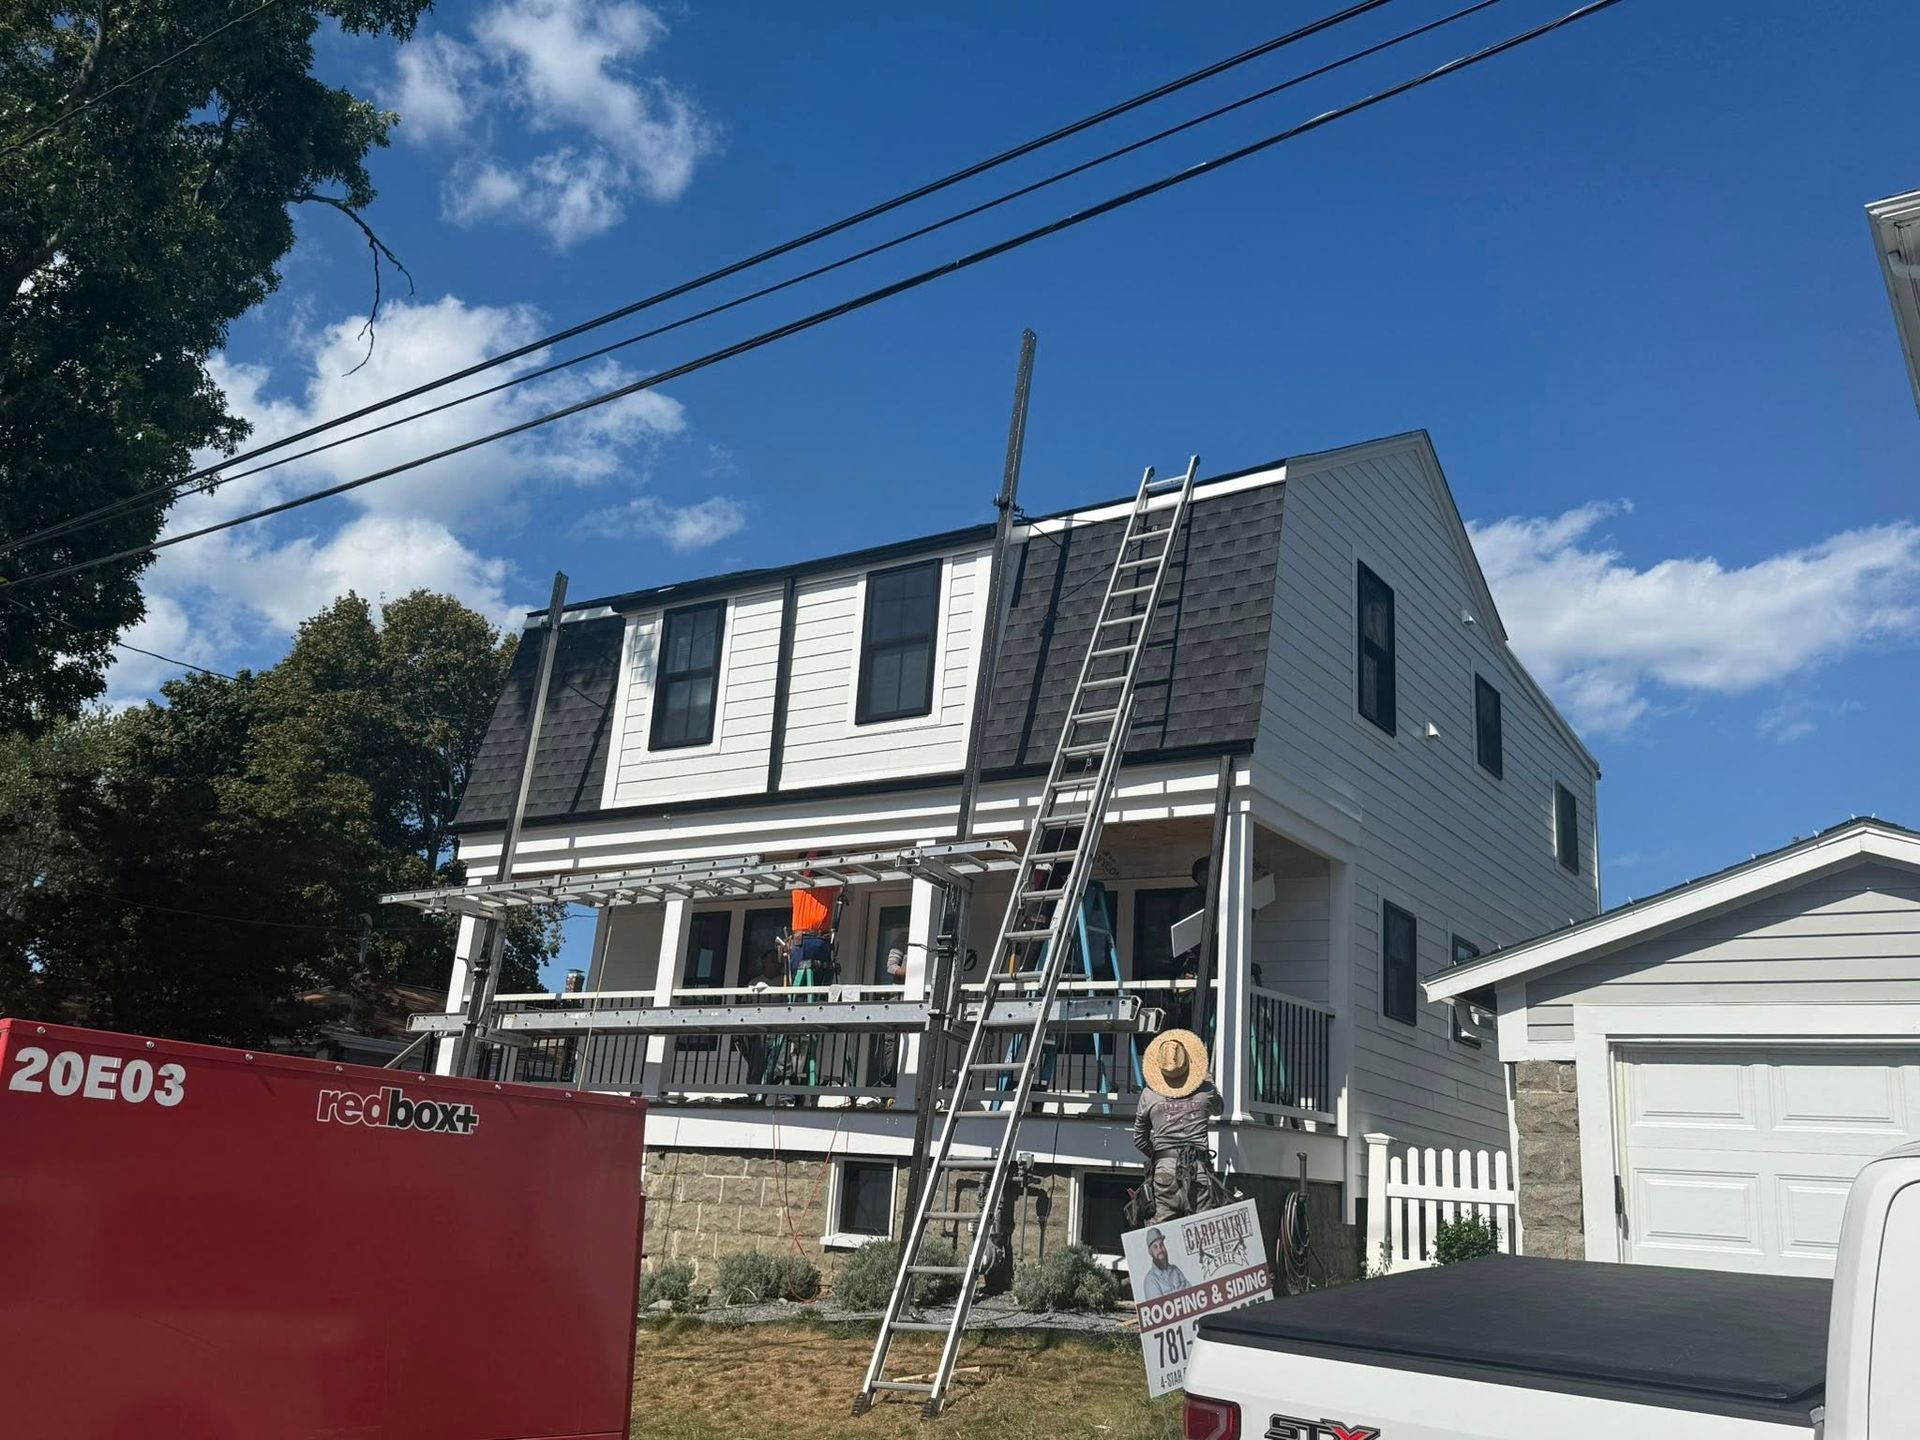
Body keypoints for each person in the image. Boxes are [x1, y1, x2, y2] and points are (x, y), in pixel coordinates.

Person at [1131, 1029, 1223, 1223]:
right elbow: (1219, 1109)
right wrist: (1207, 1078)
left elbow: (1139, 1139)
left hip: (1164, 1170)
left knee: (1159, 1234)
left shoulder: (1149, 1095)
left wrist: (1160, 1156)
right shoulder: (1206, 1091)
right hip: (1198, 1170)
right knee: (1201, 1234)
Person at [1139, 1227, 1192, 1298]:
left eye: (1161, 1245)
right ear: (1150, 1252)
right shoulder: (1150, 1280)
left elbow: (1191, 1292)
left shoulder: (1175, 1270)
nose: (1160, 1250)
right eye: (1155, 1247)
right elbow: (1159, 1307)